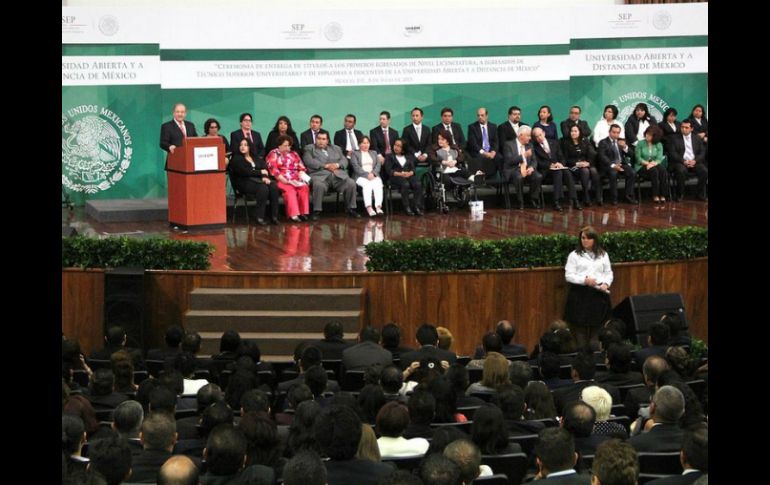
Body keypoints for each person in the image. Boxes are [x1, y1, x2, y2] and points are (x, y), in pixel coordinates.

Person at [564, 226, 613, 348]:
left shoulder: (603, 254)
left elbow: (608, 272)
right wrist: (584, 280)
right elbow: (569, 275)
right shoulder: (574, 255)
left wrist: (606, 283)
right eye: (582, 238)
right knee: (580, 331)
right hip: (580, 295)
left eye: (588, 238)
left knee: (597, 331)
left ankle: (595, 357)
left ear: (594, 240)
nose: (584, 240)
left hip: (598, 296)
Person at [303, 132, 360, 220]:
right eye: (319, 139)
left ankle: (350, 208)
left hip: (338, 175)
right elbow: (308, 161)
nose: (320, 141)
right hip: (320, 176)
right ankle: (316, 211)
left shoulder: (336, 148)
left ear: (327, 141)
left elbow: (344, 160)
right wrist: (325, 166)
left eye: (323, 139)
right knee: (318, 185)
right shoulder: (310, 148)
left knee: (351, 183)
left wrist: (337, 165)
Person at [229, 138, 281, 225]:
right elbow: (244, 172)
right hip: (243, 182)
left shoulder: (255, 157)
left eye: (245, 145)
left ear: (250, 147)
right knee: (263, 188)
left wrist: (265, 177)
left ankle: (274, 216)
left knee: (273, 186)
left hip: (257, 180)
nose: (242, 147)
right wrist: (260, 172)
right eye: (241, 145)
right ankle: (259, 217)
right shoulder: (236, 159)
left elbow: (264, 168)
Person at [266, 134, 310, 222]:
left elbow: (301, 167)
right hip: (282, 179)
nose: (287, 147)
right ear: (279, 145)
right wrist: (285, 180)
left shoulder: (294, 154)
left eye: (289, 145)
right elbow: (273, 169)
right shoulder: (273, 153)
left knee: (304, 187)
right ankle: (293, 215)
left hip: (296, 178)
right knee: (290, 190)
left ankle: (303, 213)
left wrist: (302, 173)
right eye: (285, 145)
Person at [502, 125, 542, 209]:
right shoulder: (508, 144)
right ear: (520, 135)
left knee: (538, 176)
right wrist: (523, 155)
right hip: (513, 169)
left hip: (527, 169)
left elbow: (534, 160)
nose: (530, 138)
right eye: (528, 135)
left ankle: (533, 198)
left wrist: (532, 167)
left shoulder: (530, 145)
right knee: (519, 177)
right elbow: (509, 161)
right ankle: (520, 201)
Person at [562, 124, 601, 207]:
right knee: (585, 171)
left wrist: (588, 163)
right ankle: (586, 195)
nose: (573, 133)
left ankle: (598, 196)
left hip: (584, 164)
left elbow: (592, 153)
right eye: (572, 131)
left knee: (593, 170)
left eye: (575, 131)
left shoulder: (584, 141)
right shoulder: (565, 142)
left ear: (580, 132)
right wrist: (576, 163)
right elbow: (565, 159)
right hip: (572, 166)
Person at [385, 138, 425, 216]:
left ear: (403, 148)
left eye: (399, 146)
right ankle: (407, 207)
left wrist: (410, 173)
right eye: (395, 145)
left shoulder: (409, 156)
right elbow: (389, 171)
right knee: (405, 184)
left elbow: (413, 169)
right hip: (395, 177)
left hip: (408, 175)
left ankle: (416, 206)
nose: (396, 147)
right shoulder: (389, 156)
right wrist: (401, 174)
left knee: (418, 184)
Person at [350, 136, 385, 217]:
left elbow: (378, 165)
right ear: (359, 144)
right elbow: (356, 167)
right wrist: (367, 175)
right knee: (367, 185)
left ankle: (378, 207)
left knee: (378, 184)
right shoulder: (355, 154)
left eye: (367, 143)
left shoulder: (374, 152)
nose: (366, 145)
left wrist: (373, 173)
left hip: (373, 175)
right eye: (364, 143)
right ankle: (369, 207)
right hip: (360, 176)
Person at [634, 125, 669, 203]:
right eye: (647, 133)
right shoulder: (640, 143)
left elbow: (659, 158)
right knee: (654, 171)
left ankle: (663, 194)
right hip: (641, 165)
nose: (647, 136)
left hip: (654, 164)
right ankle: (655, 195)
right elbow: (638, 158)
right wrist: (647, 164)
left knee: (663, 171)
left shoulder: (658, 144)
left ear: (655, 137)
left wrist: (652, 164)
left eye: (650, 135)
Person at [160, 103, 198, 168]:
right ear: (173, 113)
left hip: (191, 162)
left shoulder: (190, 125)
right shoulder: (166, 126)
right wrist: (169, 146)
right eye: (177, 112)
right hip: (174, 161)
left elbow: (195, 140)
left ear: (185, 114)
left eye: (182, 112)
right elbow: (163, 143)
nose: (180, 114)